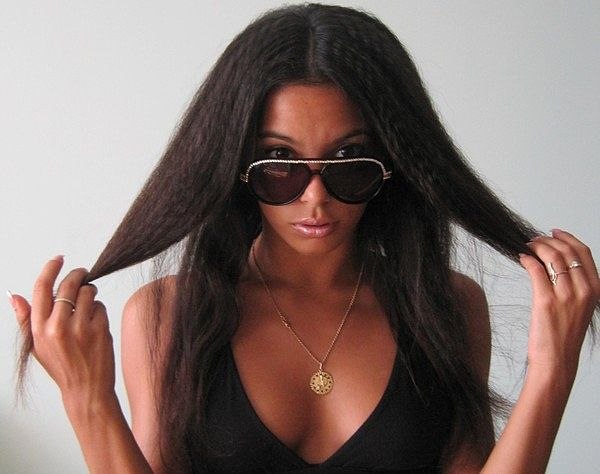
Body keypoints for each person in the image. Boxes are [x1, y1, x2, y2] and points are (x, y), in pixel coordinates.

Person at [8, 3, 599, 473]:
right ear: (235, 167)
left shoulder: (444, 305)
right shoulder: (168, 313)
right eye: (280, 164)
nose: (315, 198)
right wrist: (87, 398)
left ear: (394, 163)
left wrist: (553, 369)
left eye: (349, 161)